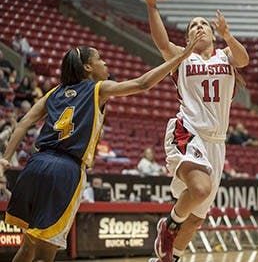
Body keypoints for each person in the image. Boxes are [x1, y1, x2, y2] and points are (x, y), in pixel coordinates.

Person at [0, 41, 199, 262]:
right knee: (47, 251)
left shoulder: (54, 93)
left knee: (28, 245)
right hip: (65, 170)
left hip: (35, 164)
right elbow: (143, 83)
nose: (105, 63)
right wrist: (180, 58)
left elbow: (23, 123)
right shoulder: (98, 88)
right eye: (99, 59)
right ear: (87, 68)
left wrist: (6, 160)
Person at [136, 0, 250, 262]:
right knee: (200, 189)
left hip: (216, 141)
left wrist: (228, 34)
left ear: (212, 34)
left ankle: (168, 258)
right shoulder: (182, 56)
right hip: (188, 131)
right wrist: (152, 6)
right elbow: (161, 41)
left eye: (204, 24)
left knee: (197, 218)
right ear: (187, 37)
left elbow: (244, 59)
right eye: (192, 26)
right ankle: (169, 224)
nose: (199, 27)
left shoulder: (226, 55)